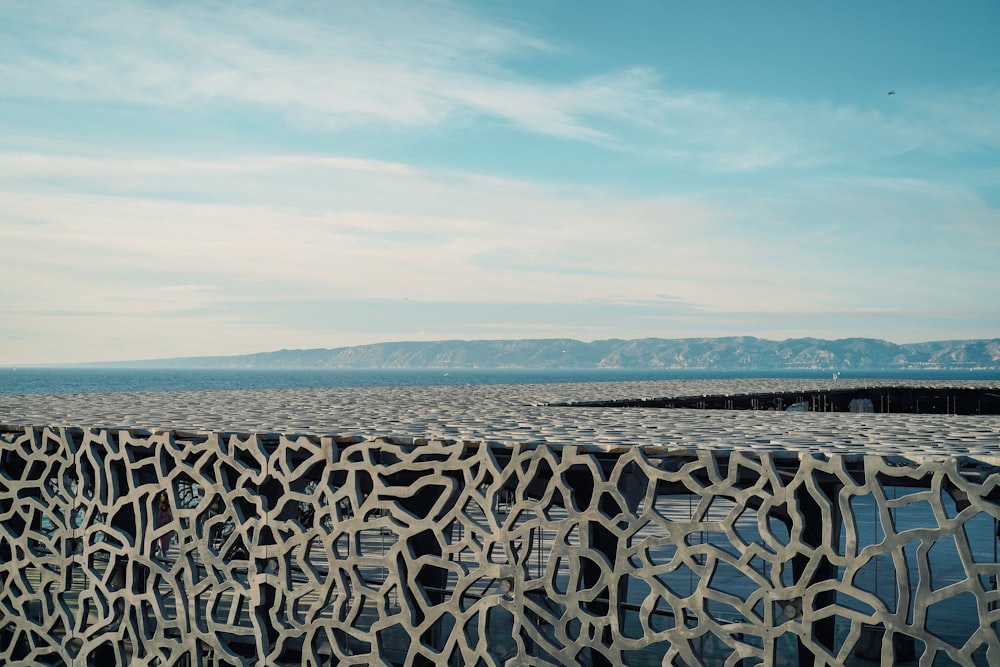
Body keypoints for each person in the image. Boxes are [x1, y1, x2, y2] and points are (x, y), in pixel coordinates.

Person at [156, 491, 173, 558]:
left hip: (167, 531)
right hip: (161, 531)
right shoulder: (160, 508)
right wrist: (167, 518)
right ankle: (164, 561)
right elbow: (159, 521)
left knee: (163, 549)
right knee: (162, 548)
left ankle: (162, 560)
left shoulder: (168, 508)